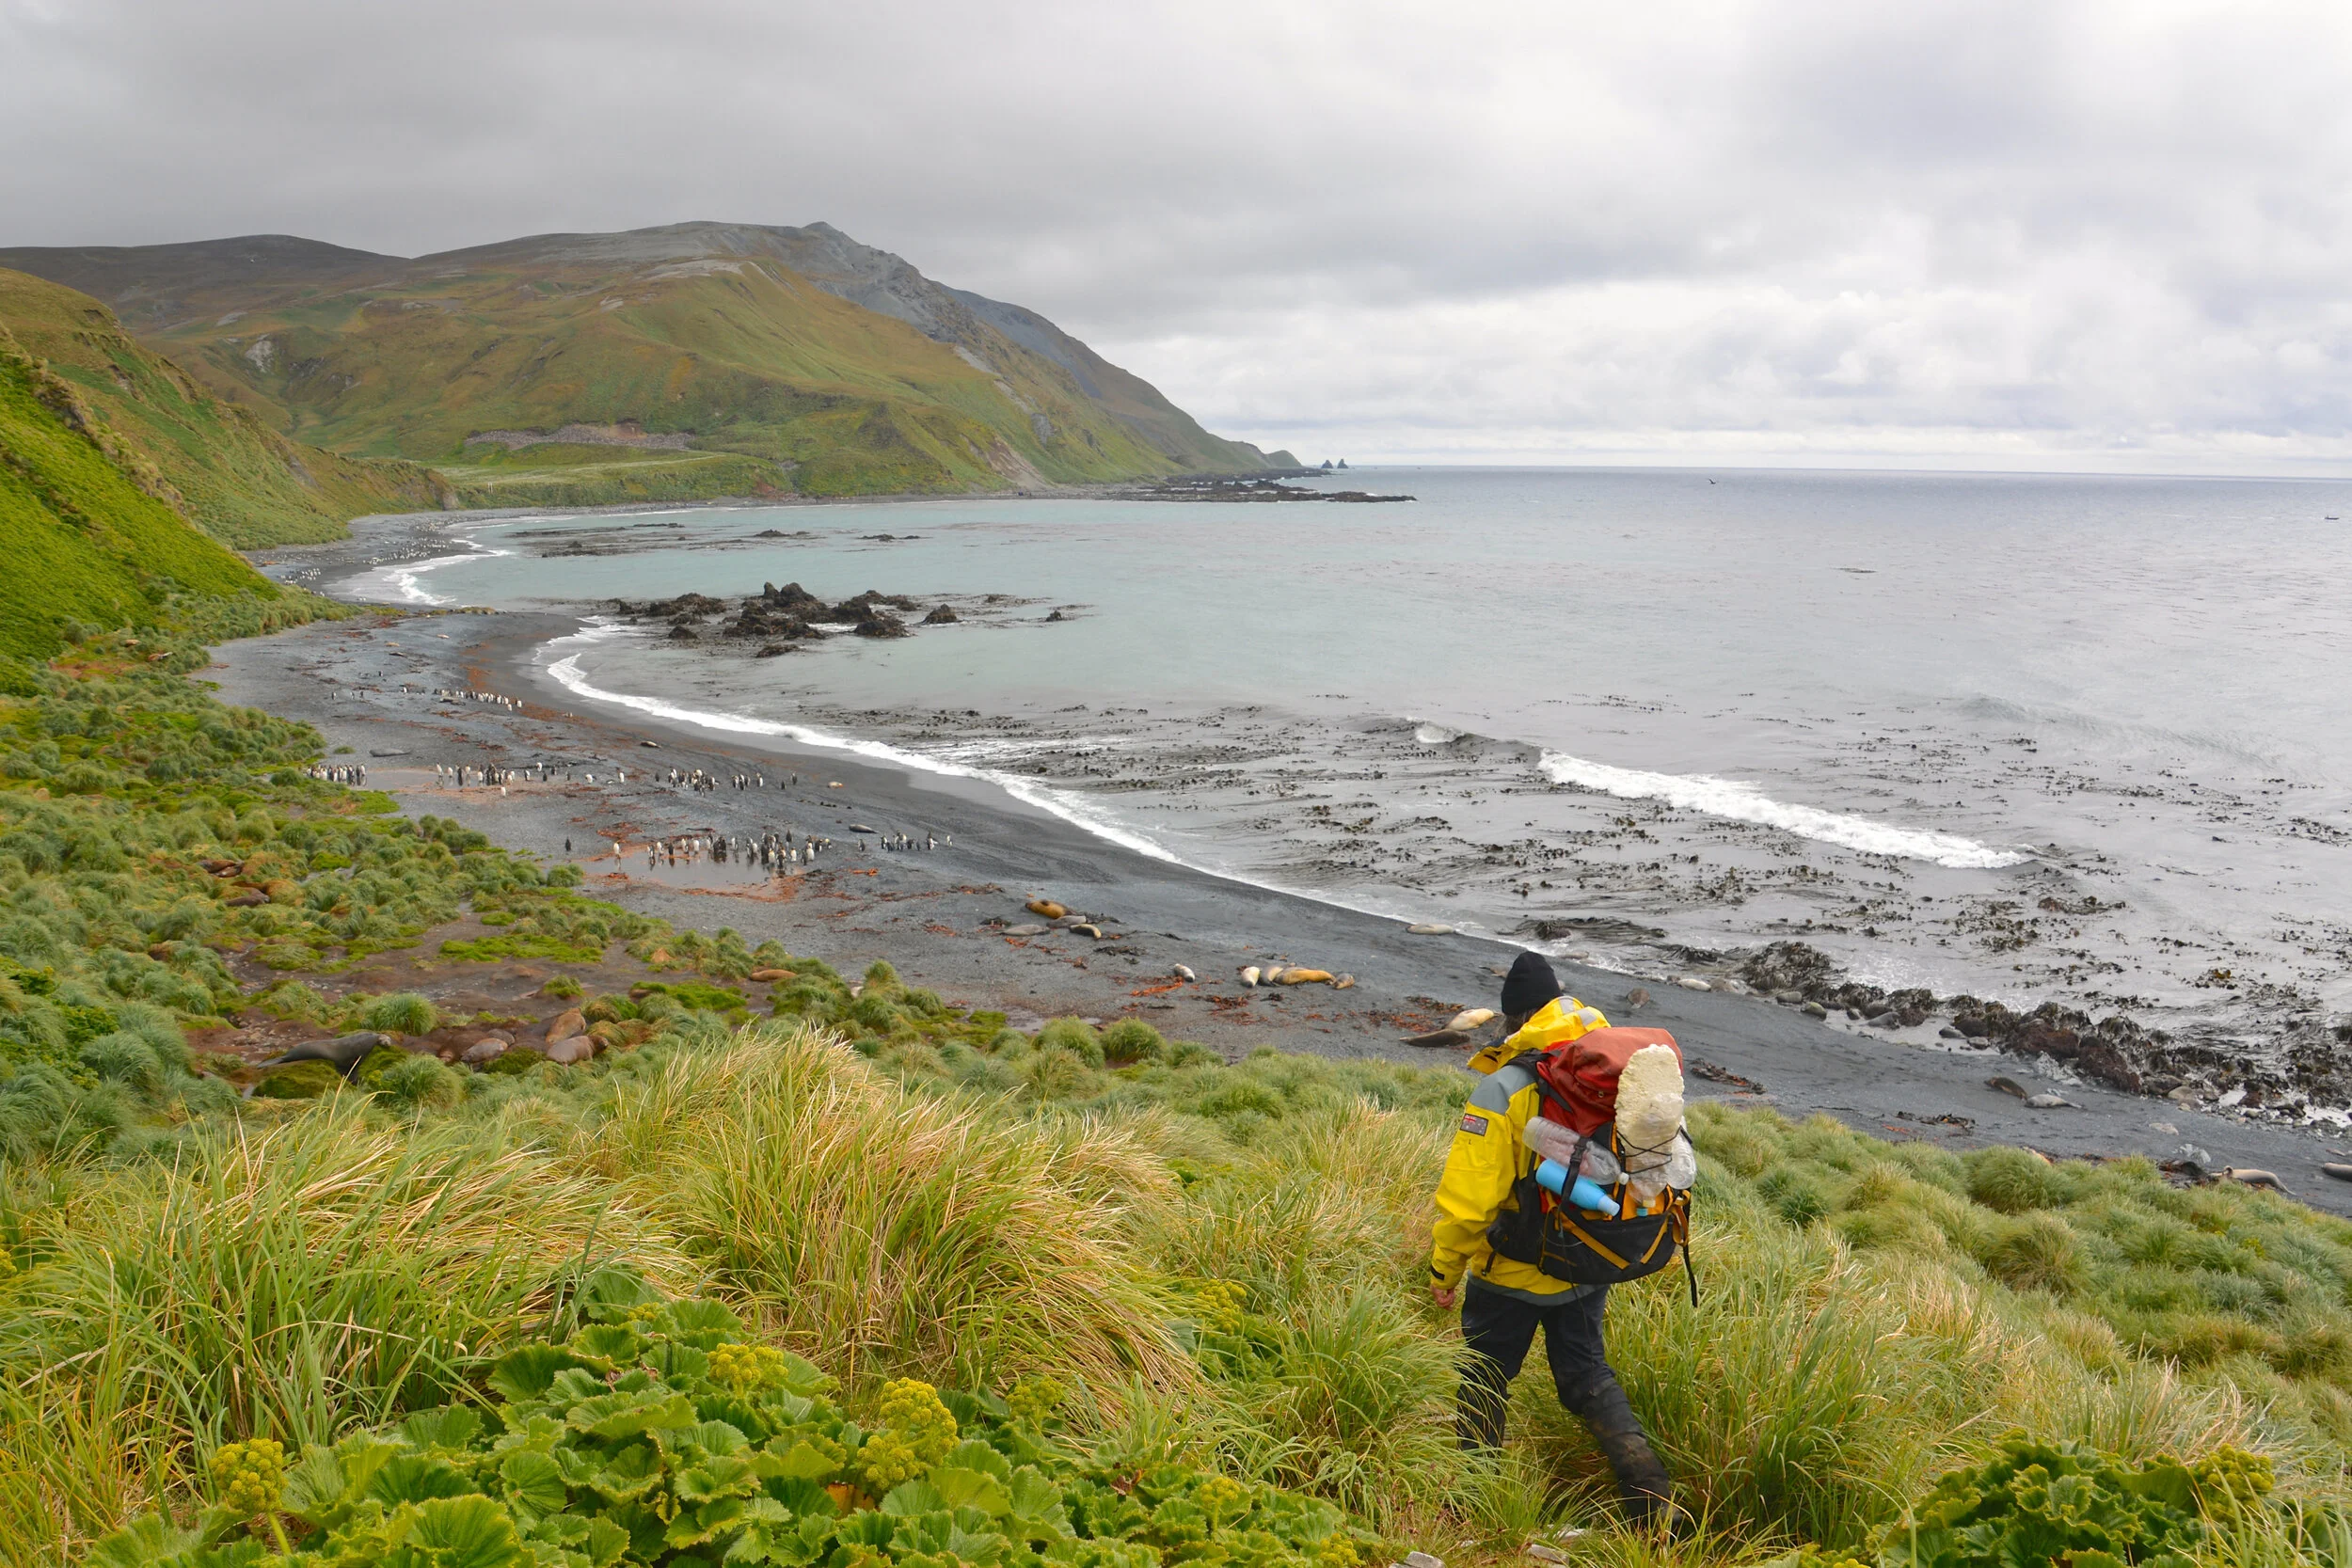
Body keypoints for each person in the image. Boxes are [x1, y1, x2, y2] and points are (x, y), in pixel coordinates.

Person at [1429, 951, 1676, 1527]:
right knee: (1588, 1377)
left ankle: (1474, 1508)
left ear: (1515, 1017)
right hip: (1588, 1261)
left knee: (1485, 1378)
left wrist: (1445, 1269)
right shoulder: (1611, 1069)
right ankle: (1652, 1501)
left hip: (1510, 1271)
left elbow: (1470, 1201)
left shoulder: (1504, 1089)